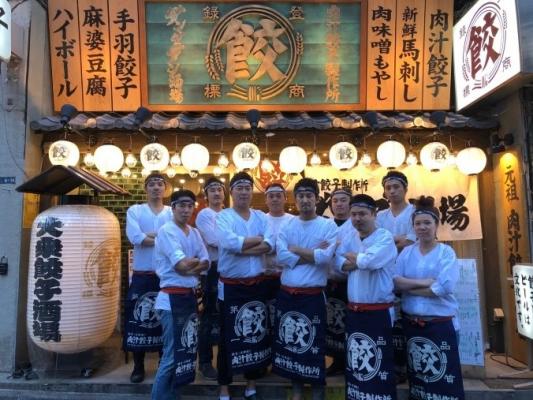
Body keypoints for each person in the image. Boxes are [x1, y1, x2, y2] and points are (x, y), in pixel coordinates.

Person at [393, 196, 465, 400]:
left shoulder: (446, 252)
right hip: (412, 325)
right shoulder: (406, 252)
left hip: (440, 324)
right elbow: (395, 282)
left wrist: (410, 287)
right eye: (418, 224)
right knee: (419, 378)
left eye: (427, 223)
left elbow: (445, 287)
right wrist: (426, 282)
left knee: (443, 378)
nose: (422, 227)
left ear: (436, 225)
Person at [273, 178, 338, 400]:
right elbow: (281, 256)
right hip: (287, 293)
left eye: (309, 195)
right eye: (300, 196)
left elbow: (325, 257)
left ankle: (318, 393)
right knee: (291, 343)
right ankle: (297, 393)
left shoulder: (327, 225)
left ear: (317, 198)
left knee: (313, 344)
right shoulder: (287, 225)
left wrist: (297, 250)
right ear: (295, 199)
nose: (304, 200)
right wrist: (312, 252)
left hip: (312, 296)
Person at [215, 171, 273, 400]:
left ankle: (251, 383)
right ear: (231, 192)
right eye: (239, 188)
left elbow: (270, 244)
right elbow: (228, 243)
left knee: (255, 334)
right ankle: (224, 385)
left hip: (257, 285)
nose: (244, 192)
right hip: (231, 286)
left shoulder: (261, 217)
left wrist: (242, 248)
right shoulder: (224, 217)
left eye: (248, 188)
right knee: (227, 336)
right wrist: (257, 240)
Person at [335, 194, 397, 400]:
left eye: (362, 214)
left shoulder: (384, 237)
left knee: (378, 361)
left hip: (378, 311)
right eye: (353, 214)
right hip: (354, 311)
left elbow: (369, 261)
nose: (357, 218)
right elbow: (337, 263)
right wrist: (359, 260)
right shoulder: (349, 237)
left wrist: (357, 260)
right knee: (356, 361)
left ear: (373, 214)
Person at [151, 189, 210, 400]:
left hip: (189, 298)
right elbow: (180, 265)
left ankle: (173, 396)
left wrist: (189, 265)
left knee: (185, 353)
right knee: (170, 357)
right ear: (173, 208)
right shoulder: (167, 231)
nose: (186, 210)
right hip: (170, 300)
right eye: (182, 205)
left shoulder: (194, 232)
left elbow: (206, 263)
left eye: (190, 205)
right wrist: (191, 264)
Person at [124, 173, 173, 383]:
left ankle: (164, 364)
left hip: (166, 277)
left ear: (165, 189)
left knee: (164, 320)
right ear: (146, 188)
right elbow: (135, 237)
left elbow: (174, 238)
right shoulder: (135, 210)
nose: (156, 187)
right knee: (138, 321)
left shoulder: (171, 212)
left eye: (160, 184)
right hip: (142, 275)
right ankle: (138, 366)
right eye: (151, 184)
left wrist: (149, 235)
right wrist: (162, 237)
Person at [376, 170, 416, 383]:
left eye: (396, 187)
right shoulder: (380, 216)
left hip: (409, 272)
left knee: (408, 318)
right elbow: (376, 243)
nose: (392, 191)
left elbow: (410, 242)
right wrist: (395, 241)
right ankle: (392, 365)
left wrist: (388, 243)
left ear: (405, 188)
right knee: (390, 320)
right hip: (384, 274)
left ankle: (408, 366)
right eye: (388, 188)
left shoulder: (414, 213)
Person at [195, 177, 226, 380]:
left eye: (219, 189)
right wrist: (238, 242)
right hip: (212, 271)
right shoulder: (204, 215)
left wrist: (234, 241)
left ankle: (225, 360)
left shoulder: (229, 214)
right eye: (212, 190)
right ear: (206, 195)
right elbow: (213, 240)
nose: (216, 193)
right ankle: (205, 362)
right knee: (208, 317)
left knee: (225, 317)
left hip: (228, 269)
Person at [325, 187, 353, 376]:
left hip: (350, 281)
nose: (339, 204)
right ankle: (336, 360)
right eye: (335, 201)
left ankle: (350, 360)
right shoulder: (326, 224)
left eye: (343, 200)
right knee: (332, 322)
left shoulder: (355, 224)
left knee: (348, 322)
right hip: (329, 281)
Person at [263, 183, 294, 331]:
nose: (275, 199)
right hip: (264, 276)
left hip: (287, 276)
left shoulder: (293, 220)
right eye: (271, 196)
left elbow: (295, 247)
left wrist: (270, 247)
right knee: (266, 316)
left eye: (278, 196)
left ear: (285, 198)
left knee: (285, 316)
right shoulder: (260, 219)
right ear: (266, 200)